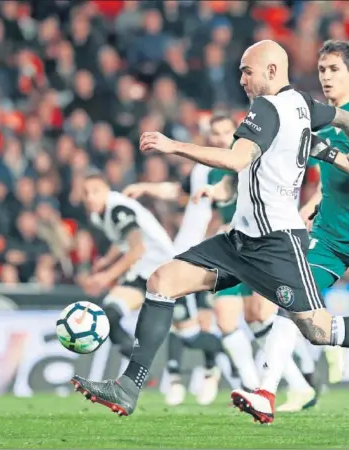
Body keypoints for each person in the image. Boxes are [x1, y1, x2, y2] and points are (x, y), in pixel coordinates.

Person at [71, 39, 349, 423]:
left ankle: (276, 389)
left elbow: (236, 159)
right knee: (162, 280)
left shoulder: (268, 108)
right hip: (238, 241)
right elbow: (340, 118)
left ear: (271, 70)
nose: (242, 79)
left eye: (247, 70)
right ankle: (128, 386)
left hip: (276, 245)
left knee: (317, 330)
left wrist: (173, 146)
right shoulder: (303, 105)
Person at [123, 114, 260, 404]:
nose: (221, 138)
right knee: (184, 321)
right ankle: (203, 374)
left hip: (223, 253)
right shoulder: (201, 168)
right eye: (216, 133)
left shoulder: (245, 164)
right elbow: (179, 191)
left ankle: (219, 373)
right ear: (209, 138)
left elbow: (229, 202)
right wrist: (146, 188)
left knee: (233, 320)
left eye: (226, 132)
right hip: (189, 253)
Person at [254, 39, 349, 414]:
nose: (325, 77)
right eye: (322, 70)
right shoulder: (322, 121)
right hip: (331, 237)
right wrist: (309, 208)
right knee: (291, 300)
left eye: (334, 70)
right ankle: (265, 392)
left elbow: (336, 163)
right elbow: (330, 183)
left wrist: (330, 154)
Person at [79, 170, 223, 364]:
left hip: (165, 273)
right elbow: (123, 239)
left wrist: (106, 276)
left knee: (190, 337)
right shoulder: (99, 215)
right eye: (85, 193)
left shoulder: (118, 209)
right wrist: (107, 259)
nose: (90, 198)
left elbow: (137, 248)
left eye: (95, 191)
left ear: (107, 190)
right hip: (141, 274)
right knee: (109, 315)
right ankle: (137, 372)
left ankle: (226, 347)